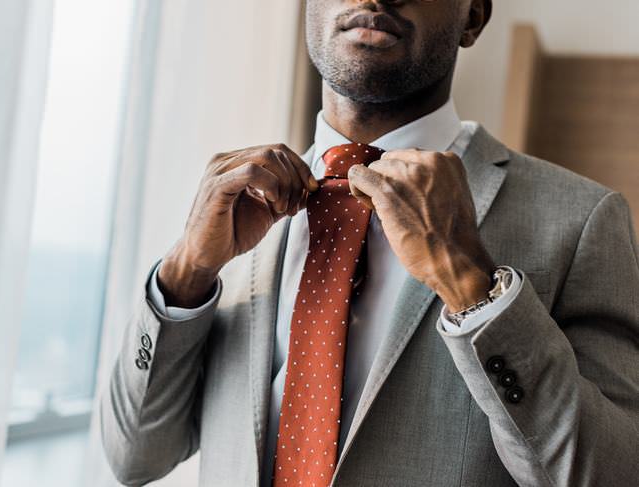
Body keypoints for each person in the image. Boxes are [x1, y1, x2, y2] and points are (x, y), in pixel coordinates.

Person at [100, 1, 639, 486]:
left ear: (473, 15)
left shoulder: (584, 218)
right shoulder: (231, 207)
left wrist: (472, 286)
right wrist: (187, 270)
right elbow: (134, 457)